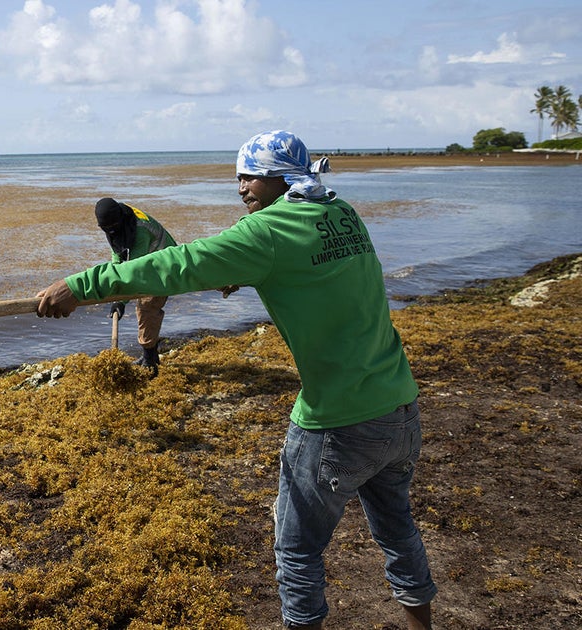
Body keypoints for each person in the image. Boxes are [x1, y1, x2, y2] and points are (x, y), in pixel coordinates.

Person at [35, 130, 436, 629]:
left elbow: (177, 264)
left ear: (276, 178)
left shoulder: (265, 234)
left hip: (337, 420)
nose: (241, 186)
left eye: (248, 175)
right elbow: (312, 268)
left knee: (296, 551)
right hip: (400, 408)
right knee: (397, 530)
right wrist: (244, 270)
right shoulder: (341, 214)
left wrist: (79, 285)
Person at [93, 197, 176, 375]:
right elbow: (117, 257)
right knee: (145, 308)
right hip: (150, 260)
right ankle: (151, 356)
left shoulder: (139, 231)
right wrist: (114, 287)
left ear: (119, 220)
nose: (110, 231)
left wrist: (121, 301)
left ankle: (149, 361)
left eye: (112, 227)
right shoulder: (118, 221)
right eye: (106, 229)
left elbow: (134, 273)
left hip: (165, 264)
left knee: (147, 307)